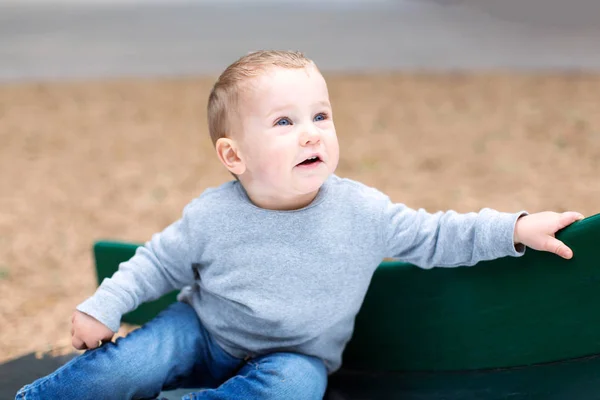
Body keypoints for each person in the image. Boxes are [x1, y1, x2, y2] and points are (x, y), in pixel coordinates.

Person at [16, 50, 584, 400]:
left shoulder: (361, 211)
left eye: (320, 116)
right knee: (128, 364)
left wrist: (515, 228)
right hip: (202, 332)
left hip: (293, 355)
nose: (311, 132)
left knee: (295, 389)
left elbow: (438, 235)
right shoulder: (213, 215)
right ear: (234, 156)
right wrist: (103, 305)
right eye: (284, 121)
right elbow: (155, 262)